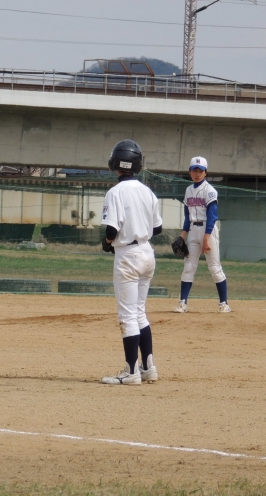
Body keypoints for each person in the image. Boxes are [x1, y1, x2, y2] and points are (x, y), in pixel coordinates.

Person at [100, 139, 163, 385]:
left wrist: (107, 242)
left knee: (127, 315)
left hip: (127, 255)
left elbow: (111, 230)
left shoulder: (115, 192)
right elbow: (157, 228)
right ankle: (148, 367)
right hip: (147, 252)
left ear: (115, 163)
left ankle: (131, 371)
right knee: (139, 312)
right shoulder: (147, 191)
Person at [174, 157, 230, 313]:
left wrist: (206, 239)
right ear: (190, 172)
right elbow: (187, 217)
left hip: (208, 230)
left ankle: (224, 303)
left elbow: (212, 216)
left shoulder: (209, 191)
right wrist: (182, 235)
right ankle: (182, 303)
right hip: (193, 230)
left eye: (200, 171)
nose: (197, 174)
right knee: (189, 266)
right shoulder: (188, 190)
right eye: (195, 170)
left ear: (205, 173)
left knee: (214, 267)